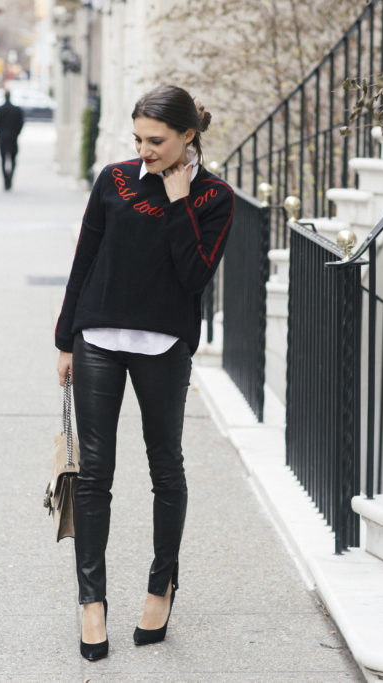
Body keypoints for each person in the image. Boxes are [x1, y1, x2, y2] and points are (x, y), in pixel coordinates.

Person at [54, 85, 235, 661]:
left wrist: (180, 201)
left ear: (188, 136)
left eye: (155, 141)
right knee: (93, 475)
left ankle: (162, 586)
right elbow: (85, 257)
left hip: (164, 345)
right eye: (138, 139)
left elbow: (192, 278)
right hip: (97, 339)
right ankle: (91, 602)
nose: (145, 150)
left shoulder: (213, 197)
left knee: (165, 468)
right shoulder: (114, 180)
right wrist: (65, 340)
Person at [0, 90, 24, 190]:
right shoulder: (17, 110)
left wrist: (0, 134)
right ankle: (10, 178)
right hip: (13, 137)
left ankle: (6, 179)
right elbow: (21, 124)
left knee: (3, 159)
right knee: (13, 160)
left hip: (3, 137)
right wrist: (16, 133)